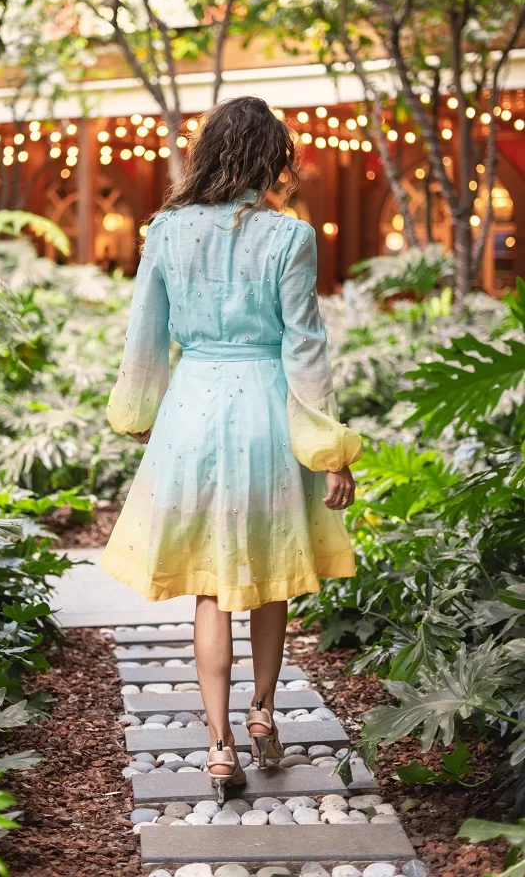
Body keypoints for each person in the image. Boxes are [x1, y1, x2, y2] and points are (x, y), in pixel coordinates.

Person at [101, 96, 363, 801]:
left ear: (208, 152)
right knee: (270, 573)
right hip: (267, 412)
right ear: (270, 157)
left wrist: (138, 413)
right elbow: (306, 348)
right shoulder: (289, 237)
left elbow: (145, 333)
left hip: (193, 409)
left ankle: (217, 747)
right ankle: (262, 713)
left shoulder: (165, 231)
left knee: (213, 587)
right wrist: (329, 447)